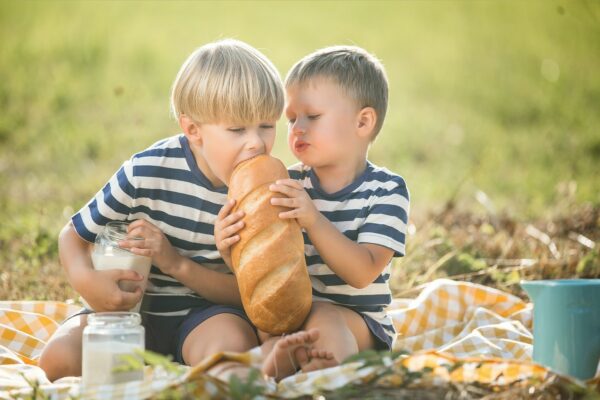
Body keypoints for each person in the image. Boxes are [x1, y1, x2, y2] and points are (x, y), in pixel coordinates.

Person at [38, 39, 285, 382]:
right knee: (58, 360)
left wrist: (176, 264)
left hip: (207, 316)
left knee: (231, 358)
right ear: (193, 130)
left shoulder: (263, 191)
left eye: (267, 126)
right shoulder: (146, 171)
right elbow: (73, 236)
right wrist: (89, 282)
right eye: (237, 129)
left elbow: (249, 295)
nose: (256, 142)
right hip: (126, 313)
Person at [217, 45, 410, 381]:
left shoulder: (386, 191)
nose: (297, 129)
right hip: (292, 317)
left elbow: (363, 272)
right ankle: (286, 366)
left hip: (357, 323)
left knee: (326, 318)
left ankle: (334, 374)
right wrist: (229, 248)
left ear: (363, 121)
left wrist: (313, 220)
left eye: (313, 117)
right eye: (291, 119)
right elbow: (265, 265)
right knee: (262, 325)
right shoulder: (287, 182)